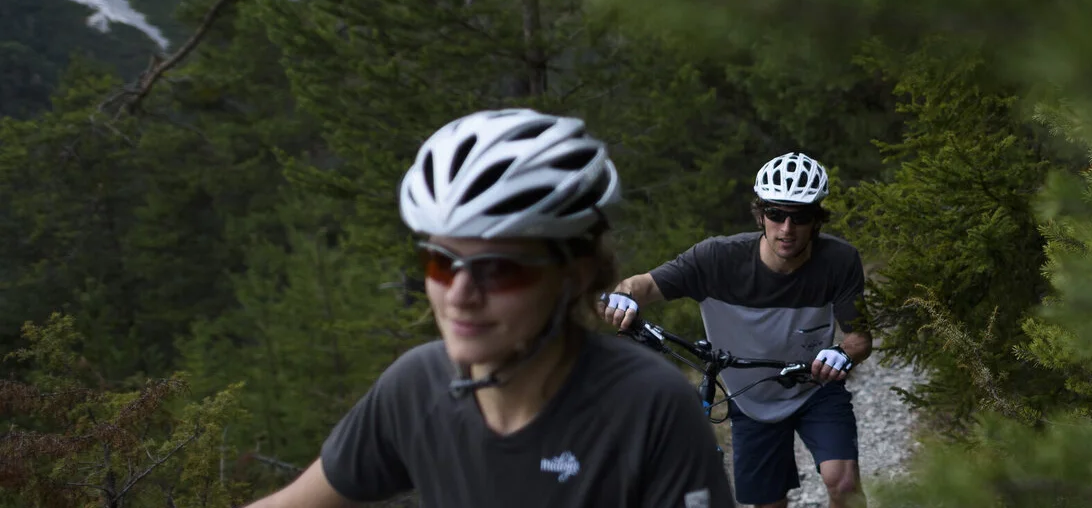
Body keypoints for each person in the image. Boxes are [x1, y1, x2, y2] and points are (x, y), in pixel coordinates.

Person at [245, 108, 733, 508]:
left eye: (499, 269)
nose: (459, 294)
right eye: (440, 262)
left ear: (576, 275)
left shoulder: (648, 406)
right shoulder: (416, 387)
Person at [598, 151, 872, 508]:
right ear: (760, 215)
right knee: (769, 503)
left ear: (816, 220)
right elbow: (642, 285)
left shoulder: (839, 261)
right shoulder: (716, 259)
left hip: (814, 386)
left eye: (800, 217)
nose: (786, 229)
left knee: (844, 484)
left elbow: (859, 339)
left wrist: (841, 354)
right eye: (776, 214)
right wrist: (623, 298)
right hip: (749, 399)